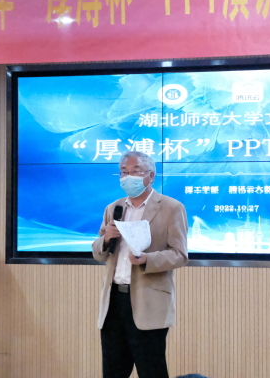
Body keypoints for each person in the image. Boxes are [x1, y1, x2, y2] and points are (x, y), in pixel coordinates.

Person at [92, 151, 189, 378]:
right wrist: (105, 239)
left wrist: (148, 260)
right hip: (114, 302)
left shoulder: (171, 207)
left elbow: (179, 255)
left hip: (149, 302)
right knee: (113, 372)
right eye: (123, 172)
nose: (128, 177)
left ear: (150, 176)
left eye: (135, 172)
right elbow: (98, 253)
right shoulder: (114, 208)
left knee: (151, 370)